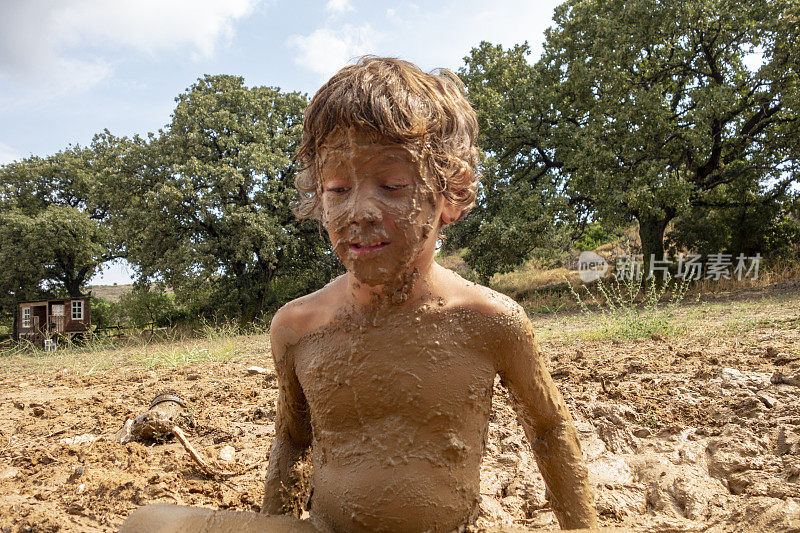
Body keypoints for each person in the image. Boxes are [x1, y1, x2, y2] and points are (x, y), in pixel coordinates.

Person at [120, 56, 597, 533]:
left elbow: (549, 429)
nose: (360, 209)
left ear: (449, 195)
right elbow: (292, 439)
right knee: (147, 524)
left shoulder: (491, 320)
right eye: (337, 188)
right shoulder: (299, 326)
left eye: (392, 185)